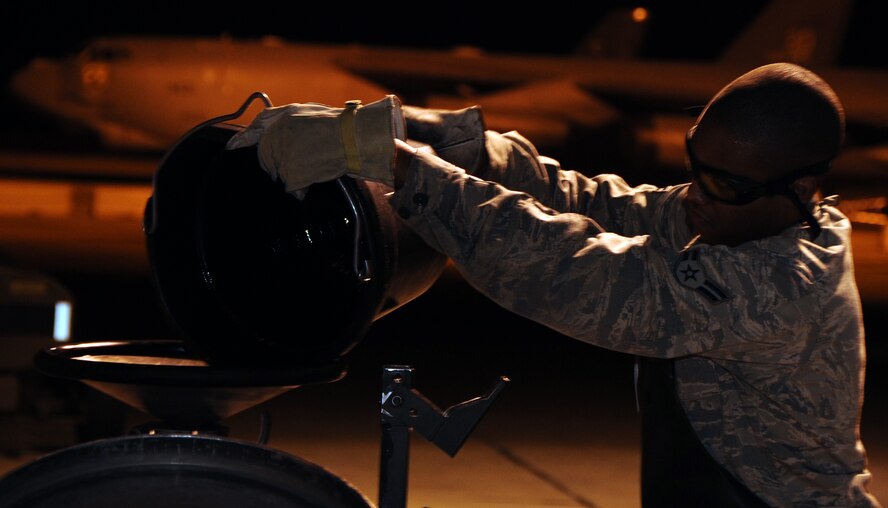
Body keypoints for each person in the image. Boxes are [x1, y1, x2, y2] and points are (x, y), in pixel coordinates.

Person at [226, 62, 881, 507]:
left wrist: (402, 170)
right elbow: (582, 199)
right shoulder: (734, 215)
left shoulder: (786, 284)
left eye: (725, 183)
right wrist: (407, 131)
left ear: (800, 187)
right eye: (695, 166)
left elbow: (584, 271)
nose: (697, 197)